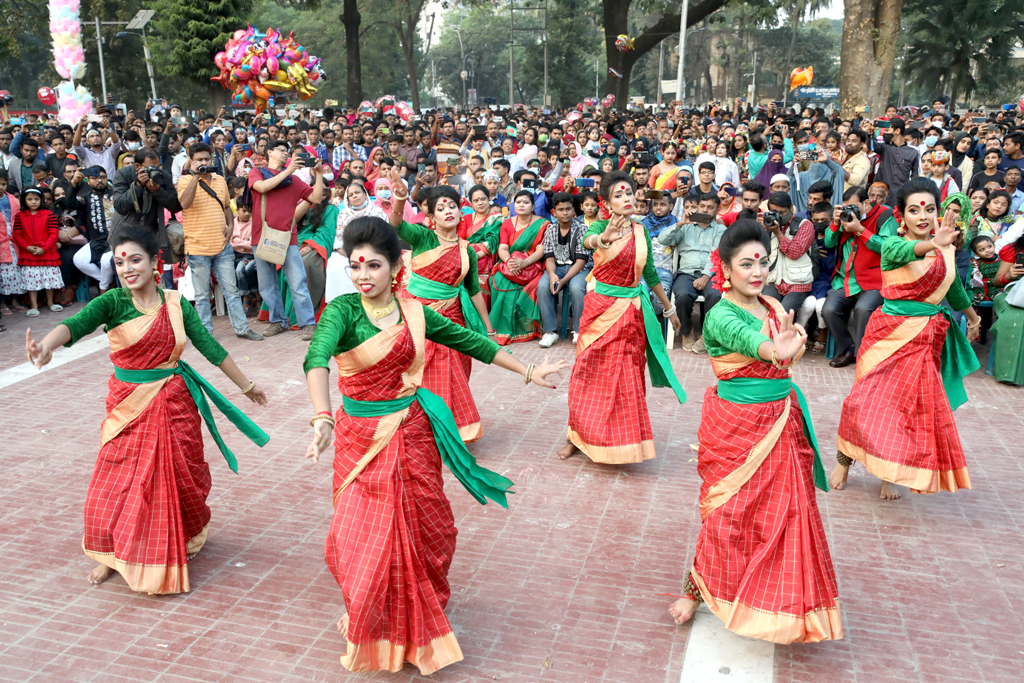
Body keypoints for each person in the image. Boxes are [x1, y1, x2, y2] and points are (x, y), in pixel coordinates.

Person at [303, 216, 565, 675]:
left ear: (396, 266)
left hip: (413, 434)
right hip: (359, 443)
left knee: (429, 531)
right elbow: (317, 357)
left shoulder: (416, 313)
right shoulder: (341, 311)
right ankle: (371, 617)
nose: (364, 276)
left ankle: (414, 623)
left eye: (374, 266)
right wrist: (322, 415)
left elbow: (472, 342)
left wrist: (527, 371)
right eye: (356, 266)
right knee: (359, 539)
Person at [24, 224, 268, 594]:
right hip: (128, 406)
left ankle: (173, 541)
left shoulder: (175, 303)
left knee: (178, 477)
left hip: (174, 402)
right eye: (120, 262)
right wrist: (46, 345)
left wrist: (246, 386)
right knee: (116, 482)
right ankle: (112, 556)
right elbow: (76, 324)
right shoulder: (113, 302)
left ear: (155, 262)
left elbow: (210, 348)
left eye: (135, 259)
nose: (127, 268)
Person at [667, 219, 840, 643]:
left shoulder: (774, 306)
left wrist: (789, 347)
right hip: (737, 426)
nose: (757, 271)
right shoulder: (721, 315)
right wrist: (775, 349)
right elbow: (749, 341)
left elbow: (780, 357)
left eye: (763, 261)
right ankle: (697, 588)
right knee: (728, 515)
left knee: (787, 513)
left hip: (781, 423)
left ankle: (785, 602)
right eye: (746, 264)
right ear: (725, 269)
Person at [831, 178, 982, 500]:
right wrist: (934, 244)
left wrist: (972, 318)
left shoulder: (946, 252)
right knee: (863, 402)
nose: (923, 216)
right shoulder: (894, 245)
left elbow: (954, 289)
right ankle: (844, 460)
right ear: (901, 216)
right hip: (888, 335)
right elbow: (905, 249)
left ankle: (890, 473)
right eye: (914, 210)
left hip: (926, 340)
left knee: (907, 409)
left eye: (929, 209)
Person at [558, 171, 684, 463]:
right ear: (606, 202)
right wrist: (604, 238)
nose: (627, 198)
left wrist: (669, 308)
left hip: (630, 313)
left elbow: (649, 273)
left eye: (629, 193)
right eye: (619, 195)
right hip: (599, 311)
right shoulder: (598, 227)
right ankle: (575, 437)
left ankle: (622, 441)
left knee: (625, 377)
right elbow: (590, 242)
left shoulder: (641, 231)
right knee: (587, 373)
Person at [388, 176, 496, 442]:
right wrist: (401, 198)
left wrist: (488, 327)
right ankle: (421, 426)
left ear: (461, 212)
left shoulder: (467, 251)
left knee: (453, 373)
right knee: (420, 372)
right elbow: (396, 225)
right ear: (432, 217)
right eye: (440, 208)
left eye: (452, 206)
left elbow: (473, 292)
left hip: (453, 319)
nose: (448, 211)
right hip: (419, 318)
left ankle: (451, 430)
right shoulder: (424, 237)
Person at [176, 143, 262, 341]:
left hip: (222, 246)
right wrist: (196, 176)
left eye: (207, 159)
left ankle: (242, 329)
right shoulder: (185, 181)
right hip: (197, 247)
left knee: (232, 291)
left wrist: (231, 226)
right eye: (200, 159)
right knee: (202, 295)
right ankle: (205, 335)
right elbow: (184, 203)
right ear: (191, 160)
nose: (204, 163)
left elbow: (225, 207)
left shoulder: (220, 180)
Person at [248, 140, 324, 340]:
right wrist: (289, 170)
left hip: (287, 238)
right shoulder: (257, 172)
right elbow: (262, 187)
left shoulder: (294, 180)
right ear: (269, 152)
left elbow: (316, 198)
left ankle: (308, 324)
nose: (285, 154)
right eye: (281, 150)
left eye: (286, 151)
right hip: (261, 235)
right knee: (267, 284)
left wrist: (319, 175)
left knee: (298, 282)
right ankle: (278, 321)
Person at [822, 186, 896, 367]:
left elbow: (888, 248)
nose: (850, 212)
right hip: (846, 279)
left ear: (866, 203)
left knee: (863, 309)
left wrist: (861, 229)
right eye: (846, 207)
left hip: (874, 279)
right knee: (829, 310)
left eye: (854, 207)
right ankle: (848, 349)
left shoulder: (885, 217)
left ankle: (864, 354)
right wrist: (835, 222)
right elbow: (829, 242)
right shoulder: (844, 219)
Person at [657, 192, 726, 352]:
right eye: (702, 206)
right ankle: (686, 332)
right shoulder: (686, 226)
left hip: (712, 273)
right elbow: (663, 240)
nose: (705, 210)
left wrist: (706, 276)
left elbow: (717, 254)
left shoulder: (720, 229)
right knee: (682, 295)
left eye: (710, 207)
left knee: (715, 296)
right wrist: (680, 223)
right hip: (686, 273)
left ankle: (707, 335)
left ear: (717, 210)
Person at [488, 190, 549, 345]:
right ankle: (499, 329)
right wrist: (509, 261)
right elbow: (503, 248)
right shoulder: (507, 223)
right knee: (498, 280)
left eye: (526, 202)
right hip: (510, 264)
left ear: (533, 206)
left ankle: (524, 329)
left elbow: (541, 250)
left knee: (525, 284)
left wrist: (524, 263)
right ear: (513, 205)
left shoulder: (542, 224)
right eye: (518, 202)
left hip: (532, 264)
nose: (522, 205)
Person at [111, 148, 183, 268]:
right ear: (138, 166)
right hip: (124, 233)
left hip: (150, 233)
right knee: (129, 274)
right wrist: (138, 186)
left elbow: (175, 206)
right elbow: (120, 206)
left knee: (153, 273)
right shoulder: (123, 174)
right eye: (150, 167)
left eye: (157, 166)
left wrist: (158, 191)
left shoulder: (162, 175)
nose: (154, 170)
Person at [537, 191, 592, 346]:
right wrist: (552, 274)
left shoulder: (582, 229)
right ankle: (550, 331)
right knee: (542, 286)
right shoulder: (550, 230)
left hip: (579, 268)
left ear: (574, 211)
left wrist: (562, 281)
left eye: (568, 209)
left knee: (576, 288)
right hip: (558, 267)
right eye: (561, 210)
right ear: (554, 212)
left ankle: (578, 330)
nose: (565, 212)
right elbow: (549, 258)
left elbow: (581, 261)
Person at [13, 187, 63, 316]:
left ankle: (50, 302)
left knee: (49, 279)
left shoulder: (49, 215)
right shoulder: (20, 216)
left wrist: (44, 248)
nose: (33, 202)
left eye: (36, 199)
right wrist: (27, 247)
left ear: (41, 200)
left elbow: (53, 233)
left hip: (47, 253)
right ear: (24, 200)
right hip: (29, 254)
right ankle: (34, 305)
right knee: (31, 281)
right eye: (30, 199)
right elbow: (17, 235)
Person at [763, 192, 814, 314]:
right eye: (774, 213)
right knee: (766, 310)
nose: (778, 216)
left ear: (791, 208)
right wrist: (762, 229)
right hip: (774, 280)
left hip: (798, 282)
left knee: (783, 313)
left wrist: (778, 233)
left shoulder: (805, 225)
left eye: (782, 213)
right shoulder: (768, 224)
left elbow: (795, 252)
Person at [458, 184, 503, 308]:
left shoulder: (496, 218)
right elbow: (460, 240)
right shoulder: (466, 219)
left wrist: (476, 254)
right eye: (476, 200)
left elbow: (493, 240)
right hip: (467, 256)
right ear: (471, 203)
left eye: (483, 199)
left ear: (489, 199)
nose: (480, 203)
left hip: (485, 259)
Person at [990, 229, 1024, 384]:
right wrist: (1009, 275)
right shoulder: (1014, 250)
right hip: (1011, 294)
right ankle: (1009, 374)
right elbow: (997, 281)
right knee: (1015, 318)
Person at [0, 170, 24, 315]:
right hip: (1, 242)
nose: (0, 187)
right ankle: (2, 303)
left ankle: (14, 301)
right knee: (3, 274)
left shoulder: (13, 200)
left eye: (3, 184)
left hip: (13, 240)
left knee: (15, 272)